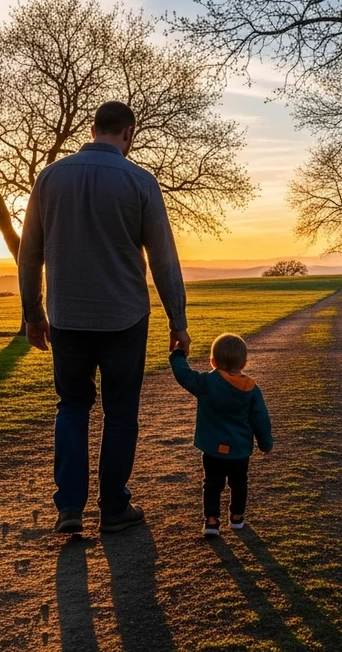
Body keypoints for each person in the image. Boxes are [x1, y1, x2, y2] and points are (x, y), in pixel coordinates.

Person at [18, 101, 190, 535]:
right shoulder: (141, 181)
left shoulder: (51, 177)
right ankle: (113, 507)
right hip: (125, 317)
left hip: (67, 316)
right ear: (128, 132)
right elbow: (163, 261)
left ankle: (69, 509)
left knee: (72, 406)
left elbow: (29, 254)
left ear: (92, 129)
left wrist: (33, 314)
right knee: (120, 412)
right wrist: (178, 320)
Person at [169, 333, 273, 537]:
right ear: (244, 363)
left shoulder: (207, 382)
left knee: (211, 483)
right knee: (239, 482)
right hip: (239, 450)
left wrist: (178, 355)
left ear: (213, 361)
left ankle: (211, 520)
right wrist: (265, 443)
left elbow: (184, 375)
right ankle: (236, 516)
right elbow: (260, 419)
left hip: (212, 448)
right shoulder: (251, 389)